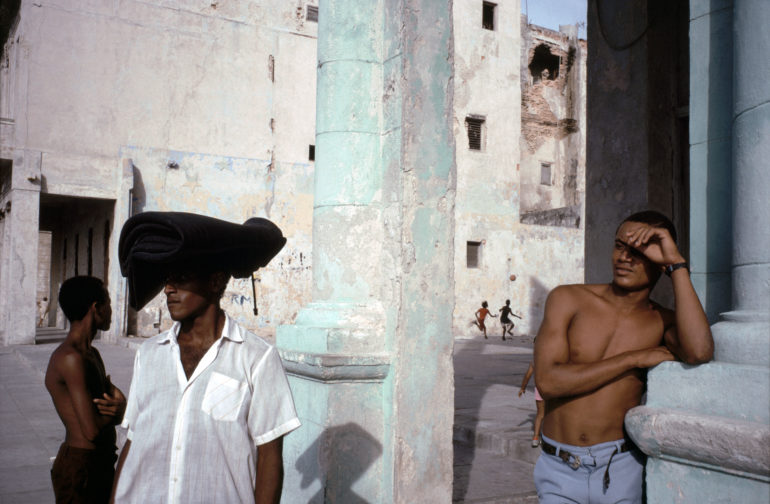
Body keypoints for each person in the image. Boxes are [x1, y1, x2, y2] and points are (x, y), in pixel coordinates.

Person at [113, 212, 299, 504]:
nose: (169, 289)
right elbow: (133, 439)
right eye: (167, 278)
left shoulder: (257, 359)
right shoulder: (149, 355)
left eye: (182, 278)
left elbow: (269, 457)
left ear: (215, 282)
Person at [533, 210, 713, 503]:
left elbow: (700, 351)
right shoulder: (568, 299)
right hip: (559, 468)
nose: (624, 258)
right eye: (620, 246)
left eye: (639, 252)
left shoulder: (661, 321)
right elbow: (549, 381)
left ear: (659, 261)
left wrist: (676, 265)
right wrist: (632, 358)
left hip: (619, 468)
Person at [44, 276, 126, 504]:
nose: (111, 309)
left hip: (98, 462)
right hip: (81, 467)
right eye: (108, 302)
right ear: (96, 308)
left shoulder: (91, 354)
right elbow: (90, 429)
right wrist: (120, 413)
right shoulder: (71, 358)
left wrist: (118, 408)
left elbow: (108, 402)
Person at [519, 361, 544, 448]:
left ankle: (535, 438)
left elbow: (528, 375)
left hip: (539, 389)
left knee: (540, 414)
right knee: (551, 414)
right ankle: (549, 437)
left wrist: (522, 388)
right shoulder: (552, 356)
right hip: (550, 388)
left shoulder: (535, 360)